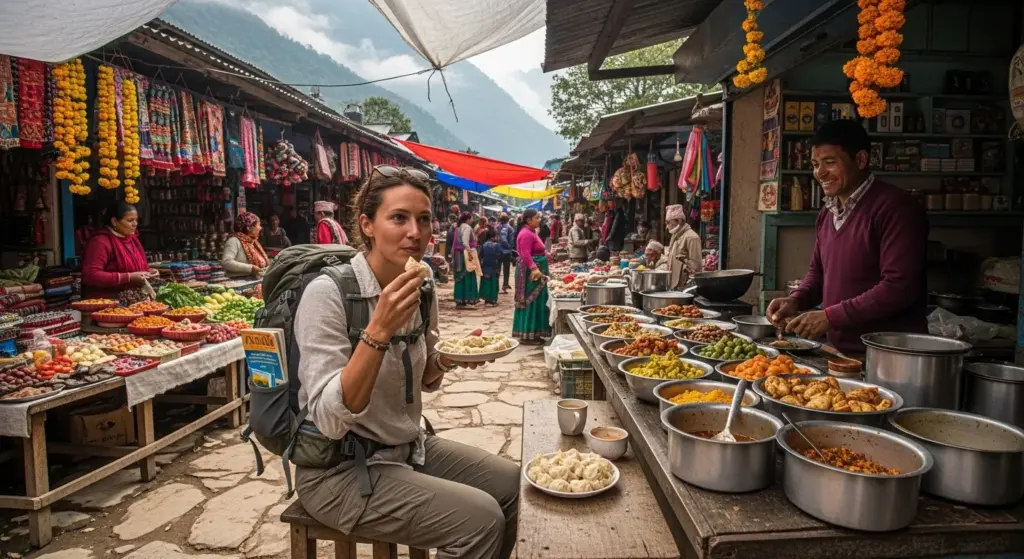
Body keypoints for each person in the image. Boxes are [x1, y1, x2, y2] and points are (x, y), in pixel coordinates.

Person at [293, 167, 519, 558]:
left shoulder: (422, 281)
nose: (415, 232)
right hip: (339, 469)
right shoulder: (327, 294)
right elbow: (328, 420)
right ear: (367, 225)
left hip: (405, 446)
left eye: (424, 219)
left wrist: (447, 359)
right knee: (482, 520)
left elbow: (423, 375)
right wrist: (378, 331)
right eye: (398, 218)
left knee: (516, 486)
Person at [767, 120, 928, 354]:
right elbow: (818, 272)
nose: (820, 173)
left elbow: (899, 287)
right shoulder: (827, 213)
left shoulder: (896, 208)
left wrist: (830, 316)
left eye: (830, 162)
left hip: (890, 354)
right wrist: (797, 300)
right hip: (840, 350)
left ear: (861, 160)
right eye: (815, 164)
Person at [82, 202, 155, 304]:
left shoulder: (132, 239)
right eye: (130, 220)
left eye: (136, 220)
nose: (135, 224)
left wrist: (149, 272)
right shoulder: (100, 242)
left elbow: (138, 267)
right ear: (114, 221)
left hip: (135, 299)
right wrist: (128, 277)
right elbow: (91, 275)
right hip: (108, 302)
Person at [512, 209, 551, 343]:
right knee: (531, 302)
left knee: (537, 301)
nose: (539, 220)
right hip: (531, 274)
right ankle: (528, 334)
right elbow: (525, 254)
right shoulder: (526, 234)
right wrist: (534, 268)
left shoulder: (531, 232)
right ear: (529, 220)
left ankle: (534, 333)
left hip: (535, 272)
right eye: (537, 218)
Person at [664, 204, 702, 290]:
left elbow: (696, 266)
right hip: (674, 284)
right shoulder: (675, 236)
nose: (667, 226)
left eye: (669, 222)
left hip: (684, 285)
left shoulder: (691, 237)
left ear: (679, 221)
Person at [221, 212, 269, 278]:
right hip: (237, 283)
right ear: (249, 228)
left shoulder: (253, 242)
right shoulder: (234, 241)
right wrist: (251, 268)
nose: (260, 228)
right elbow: (226, 262)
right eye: (258, 225)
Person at [452, 212, 479, 306]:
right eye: (471, 218)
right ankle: (468, 298)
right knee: (468, 276)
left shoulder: (458, 228)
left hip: (458, 255)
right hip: (465, 255)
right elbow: (465, 242)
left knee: (459, 277)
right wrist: (470, 254)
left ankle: (460, 299)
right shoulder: (467, 228)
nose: (472, 220)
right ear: (468, 219)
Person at [479, 229, 502, 305]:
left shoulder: (484, 245)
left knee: (486, 283)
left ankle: (486, 299)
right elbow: (499, 257)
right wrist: (498, 268)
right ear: (493, 237)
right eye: (496, 236)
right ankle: (493, 300)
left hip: (485, 267)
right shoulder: (497, 245)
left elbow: (480, 255)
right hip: (494, 267)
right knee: (493, 283)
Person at [496, 213, 516, 293]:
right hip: (506, 251)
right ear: (508, 219)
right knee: (506, 269)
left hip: (497, 250)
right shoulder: (508, 227)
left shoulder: (497, 227)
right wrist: (509, 247)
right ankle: (505, 285)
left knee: (497, 268)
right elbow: (504, 239)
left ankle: (495, 286)